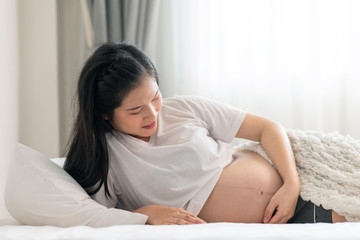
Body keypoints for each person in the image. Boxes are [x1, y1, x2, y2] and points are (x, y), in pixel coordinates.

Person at [64, 42, 347, 225]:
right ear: (104, 113)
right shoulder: (107, 158)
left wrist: (291, 185)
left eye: (155, 98)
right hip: (278, 220)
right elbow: (94, 216)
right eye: (136, 110)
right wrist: (144, 215)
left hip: (298, 190)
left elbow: (267, 128)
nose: (152, 114)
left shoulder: (183, 109)